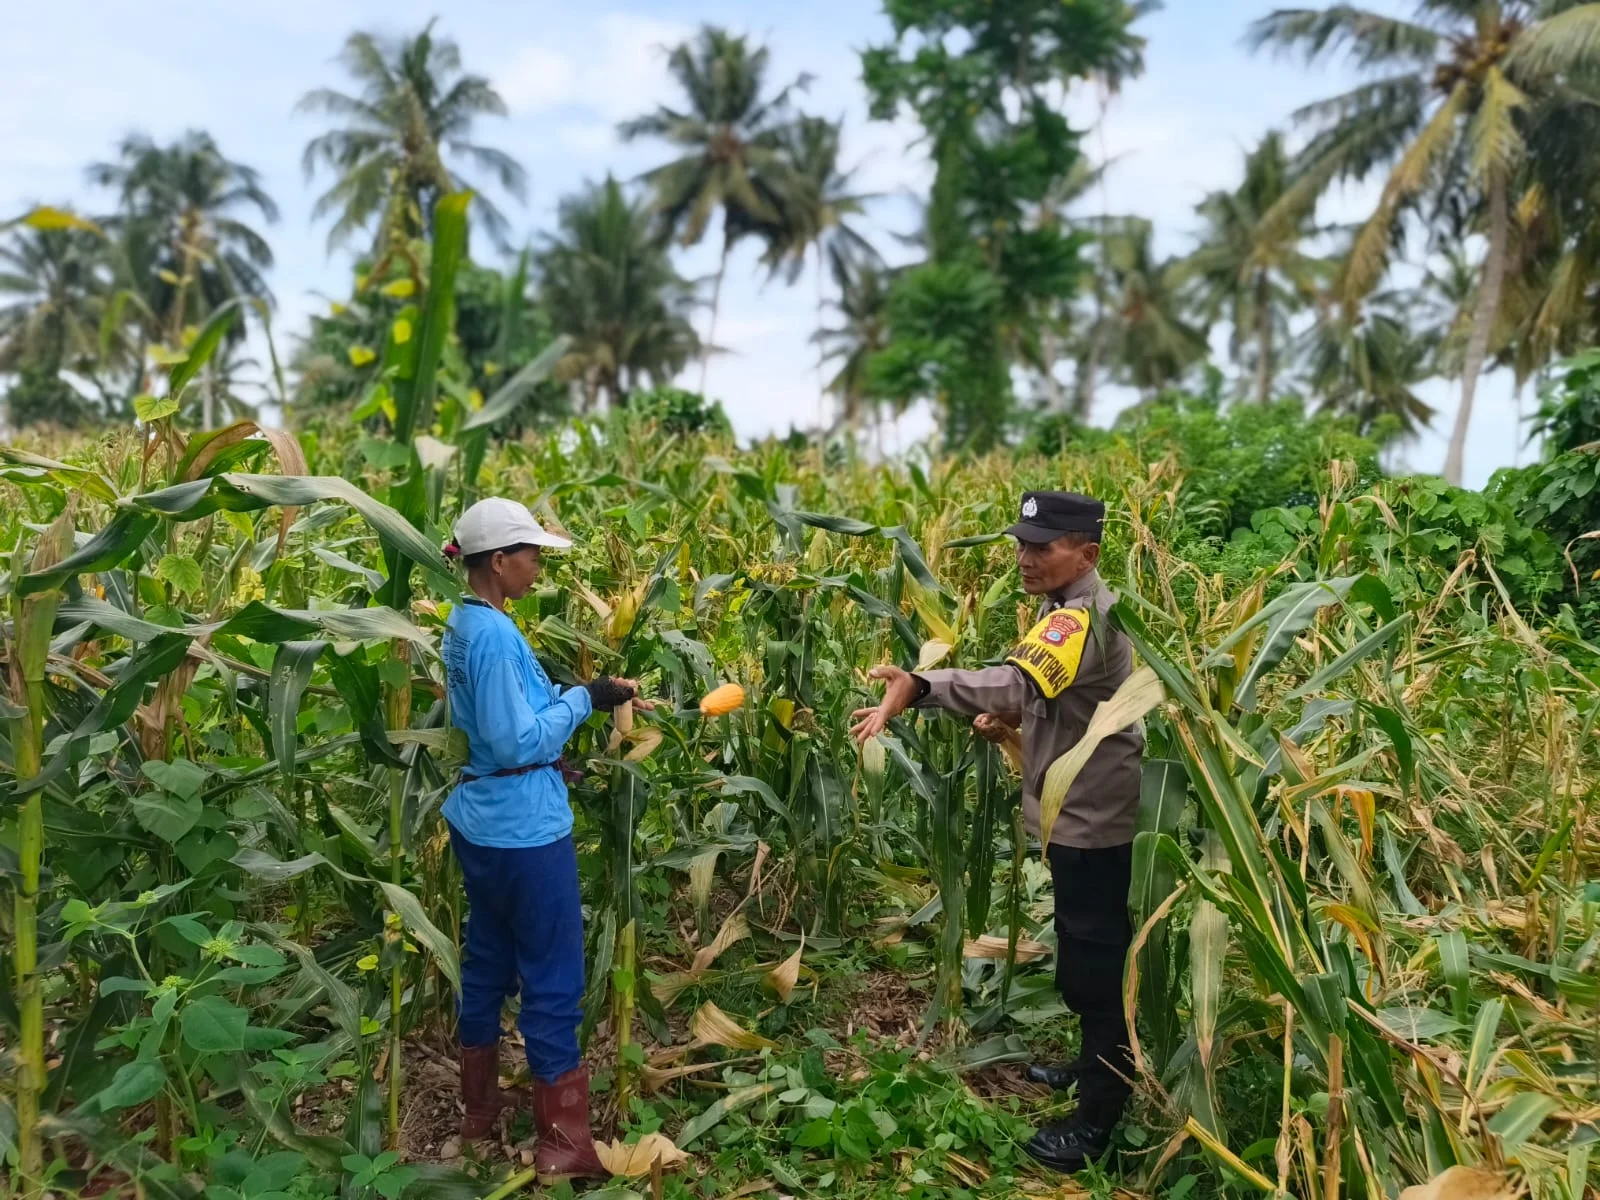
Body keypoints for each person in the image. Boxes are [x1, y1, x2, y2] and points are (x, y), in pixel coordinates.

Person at [850, 490, 1144, 1173]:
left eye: (1042, 547)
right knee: (1081, 950)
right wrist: (1016, 727)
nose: (1025, 556)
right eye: (1021, 543)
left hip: (1093, 819)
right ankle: (1090, 1063)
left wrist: (919, 686)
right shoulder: (1061, 609)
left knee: (1094, 969)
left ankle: (1100, 1117)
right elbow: (1045, 699)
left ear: (1087, 554)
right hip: (1074, 808)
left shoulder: (1084, 619)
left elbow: (1014, 683)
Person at [441, 497, 649, 1182]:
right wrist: (585, 699)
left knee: (488, 960)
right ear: (498, 562)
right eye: (531, 556)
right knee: (554, 979)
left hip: (484, 819)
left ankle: (478, 1115)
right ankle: (563, 1144)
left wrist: (572, 717)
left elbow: (499, 728)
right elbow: (512, 737)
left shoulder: (468, 624)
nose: (538, 567)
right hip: (526, 834)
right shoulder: (497, 635)